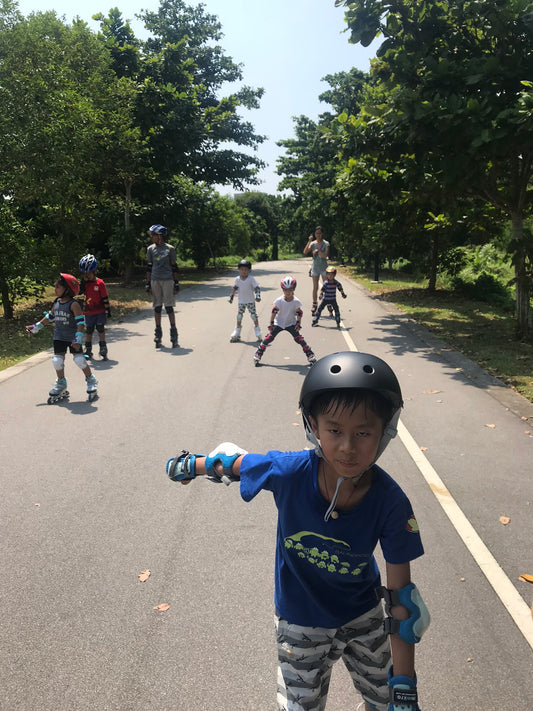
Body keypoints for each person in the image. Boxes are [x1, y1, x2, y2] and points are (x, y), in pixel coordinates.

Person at [165, 351, 429, 711]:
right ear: (313, 425)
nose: (348, 447)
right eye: (334, 430)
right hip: (301, 620)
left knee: (385, 702)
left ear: (385, 430)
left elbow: (403, 604)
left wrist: (404, 689)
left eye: (363, 432)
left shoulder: (391, 503)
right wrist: (189, 465)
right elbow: (231, 464)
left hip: (362, 615)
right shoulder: (289, 472)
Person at [26, 273, 98, 403]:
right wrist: (36, 326)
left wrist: (78, 338)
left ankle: (91, 380)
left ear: (67, 289)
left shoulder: (73, 304)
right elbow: (50, 317)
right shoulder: (57, 302)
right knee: (57, 361)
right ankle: (61, 383)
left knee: (79, 360)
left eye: (58, 287)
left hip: (72, 337)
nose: (55, 289)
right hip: (59, 337)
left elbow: (80, 323)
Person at [253, 275, 316, 367]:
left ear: (294, 289)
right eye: (286, 290)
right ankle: (258, 353)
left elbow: (299, 313)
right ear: (283, 290)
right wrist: (271, 323)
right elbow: (274, 312)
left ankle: (310, 355)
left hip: (290, 323)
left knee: (299, 339)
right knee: (269, 338)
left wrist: (298, 324)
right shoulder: (279, 300)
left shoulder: (296, 301)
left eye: (290, 290)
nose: (288, 292)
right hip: (279, 323)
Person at [145, 224, 179, 348]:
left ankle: (173, 333)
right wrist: (148, 284)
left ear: (160, 236)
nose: (151, 237)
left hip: (168, 280)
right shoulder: (150, 249)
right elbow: (149, 267)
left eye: (153, 234)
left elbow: (174, 267)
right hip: (155, 280)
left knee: (169, 307)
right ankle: (158, 333)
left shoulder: (170, 249)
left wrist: (176, 283)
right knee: (157, 307)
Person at [78, 254, 111, 359]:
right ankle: (88, 349)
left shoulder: (100, 283)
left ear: (94, 271)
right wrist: (81, 288)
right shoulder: (84, 284)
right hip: (88, 312)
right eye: (84, 274)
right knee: (89, 330)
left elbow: (105, 298)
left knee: (100, 329)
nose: (86, 276)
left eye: (89, 273)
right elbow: (78, 295)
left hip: (100, 311)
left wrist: (107, 310)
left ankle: (103, 347)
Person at [229, 259, 262, 343]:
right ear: (239, 270)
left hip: (250, 300)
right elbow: (235, 288)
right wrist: (231, 297)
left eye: (246, 270)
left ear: (249, 270)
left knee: (253, 316)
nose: (244, 271)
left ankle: (258, 331)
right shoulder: (237, 279)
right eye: (242, 269)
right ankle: (237, 332)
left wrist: (258, 295)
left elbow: (257, 288)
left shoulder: (251, 279)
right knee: (239, 316)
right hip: (241, 301)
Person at [303, 226, 330, 315]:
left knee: (326, 286)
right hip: (315, 268)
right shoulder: (313, 243)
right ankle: (314, 303)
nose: (318, 235)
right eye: (316, 233)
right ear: (315, 234)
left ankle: (329, 303)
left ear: (322, 234)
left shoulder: (326, 243)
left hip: (324, 268)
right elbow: (305, 252)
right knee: (315, 287)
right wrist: (309, 241)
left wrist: (318, 252)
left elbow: (325, 255)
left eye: (319, 233)